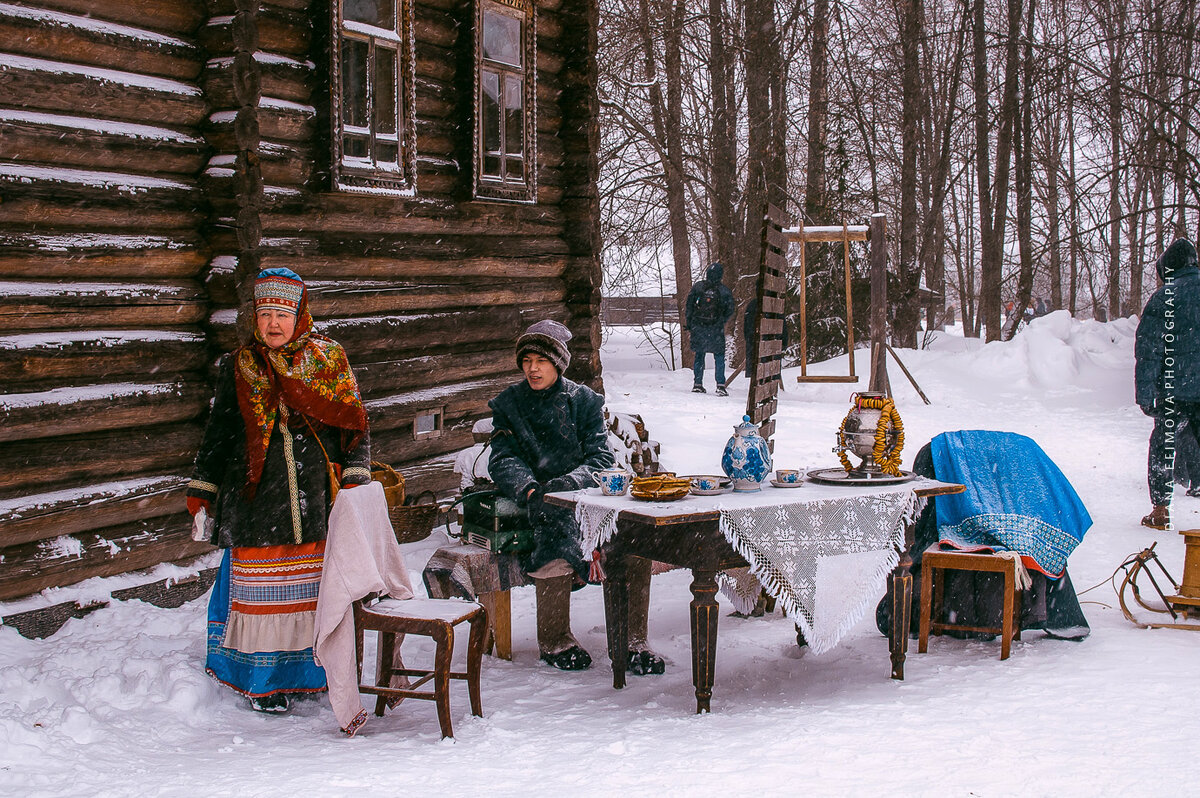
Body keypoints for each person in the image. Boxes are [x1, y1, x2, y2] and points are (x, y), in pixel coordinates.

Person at [186, 267, 371, 712]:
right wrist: (203, 489)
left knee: (311, 593)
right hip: (254, 501)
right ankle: (264, 681)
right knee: (262, 595)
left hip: (314, 496)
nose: (272, 324)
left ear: (299, 315)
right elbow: (221, 431)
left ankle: (318, 671)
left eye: (281, 314)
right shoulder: (239, 365)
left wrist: (356, 474)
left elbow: (355, 426)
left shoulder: (328, 360)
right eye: (265, 313)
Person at [488, 320, 664, 674]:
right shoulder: (511, 404)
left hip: (586, 495)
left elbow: (600, 458)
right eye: (527, 361)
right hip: (537, 500)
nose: (533, 368)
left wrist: (571, 482)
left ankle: (633, 641)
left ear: (559, 363)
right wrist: (530, 487)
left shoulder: (583, 401)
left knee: (632, 538)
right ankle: (555, 640)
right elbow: (502, 457)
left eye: (541, 360)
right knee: (553, 531)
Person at [1135, 238, 1200, 529]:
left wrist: (1146, 394)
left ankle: (1161, 510)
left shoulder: (1164, 298)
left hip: (1175, 388)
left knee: (1163, 447)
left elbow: (1149, 350)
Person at [685, 262, 735, 395]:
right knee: (719, 356)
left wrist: (690, 323)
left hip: (698, 326)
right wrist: (721, 320)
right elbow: (730, 309)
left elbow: (689, 306)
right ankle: (720, 385)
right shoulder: (724, 291)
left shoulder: (698, 287)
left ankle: (697, 383)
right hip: (716, 328)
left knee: (699, 355)